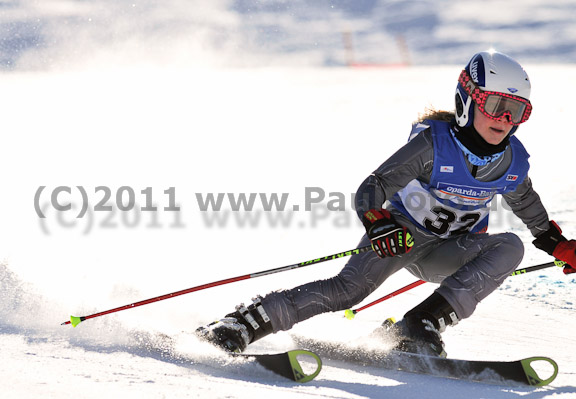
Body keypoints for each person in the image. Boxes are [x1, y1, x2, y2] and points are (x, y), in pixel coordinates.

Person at [197, 51, 576, 357]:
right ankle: (243, 323)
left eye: (518, 111)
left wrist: (557, 244)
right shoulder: (433, 146)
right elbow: (372, 186)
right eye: (496, 105)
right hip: (398, 238)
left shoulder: (511, 163)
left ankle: (421, 324)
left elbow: (528, 206)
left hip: (448, 251)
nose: (506, 119)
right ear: (468, 100)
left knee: (509, 246)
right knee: (348, 290)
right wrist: (378, 223)